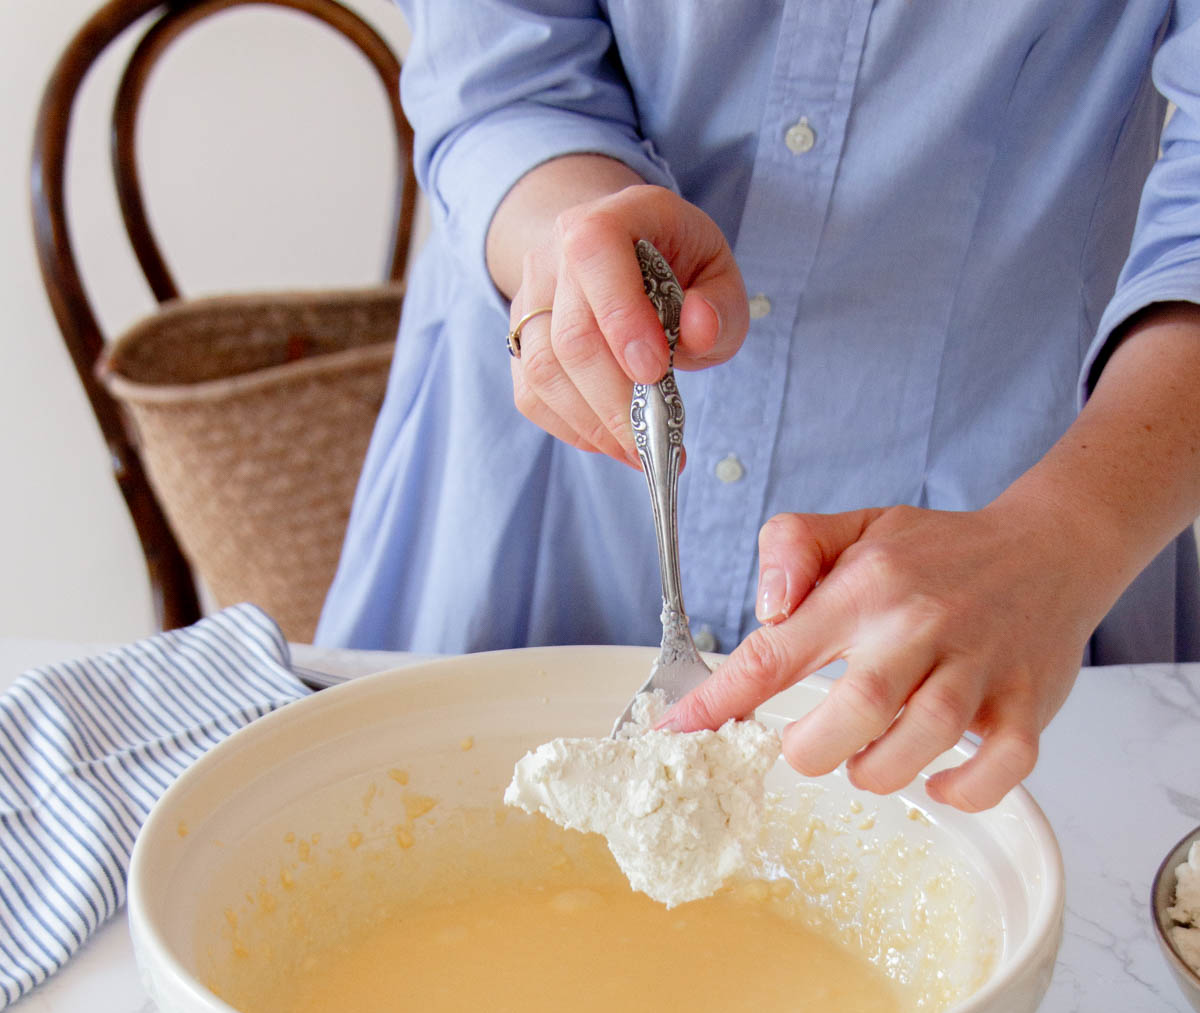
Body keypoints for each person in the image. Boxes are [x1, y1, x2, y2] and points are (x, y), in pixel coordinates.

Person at [316, 1, 1200, 811]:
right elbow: (498, 74)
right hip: (545, 486)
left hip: (1018, 508)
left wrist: (1066, 535)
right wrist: (571, 231)